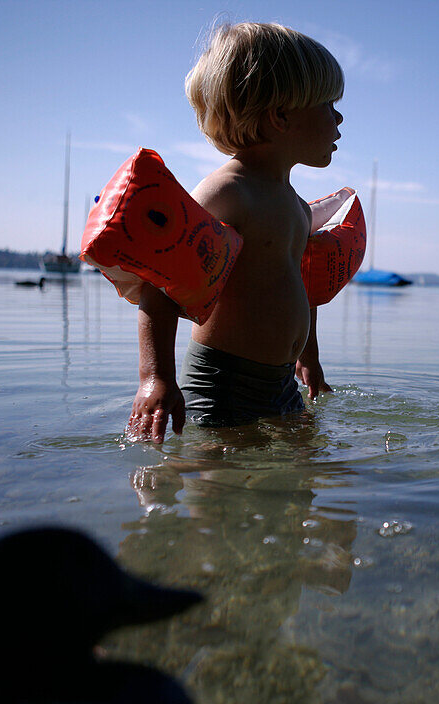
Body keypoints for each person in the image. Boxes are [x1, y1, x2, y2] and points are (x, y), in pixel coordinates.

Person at [127, 22, 344, 443]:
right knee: (217, 495)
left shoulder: (296, 205)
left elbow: (303, 285)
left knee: (295, 492)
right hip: (222, 384)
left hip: (280, 383)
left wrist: (309, 356)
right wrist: (155, 378)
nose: (338, 116)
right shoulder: (229, 192)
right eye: (328, 103)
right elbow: (160, 286)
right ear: (281, 116)